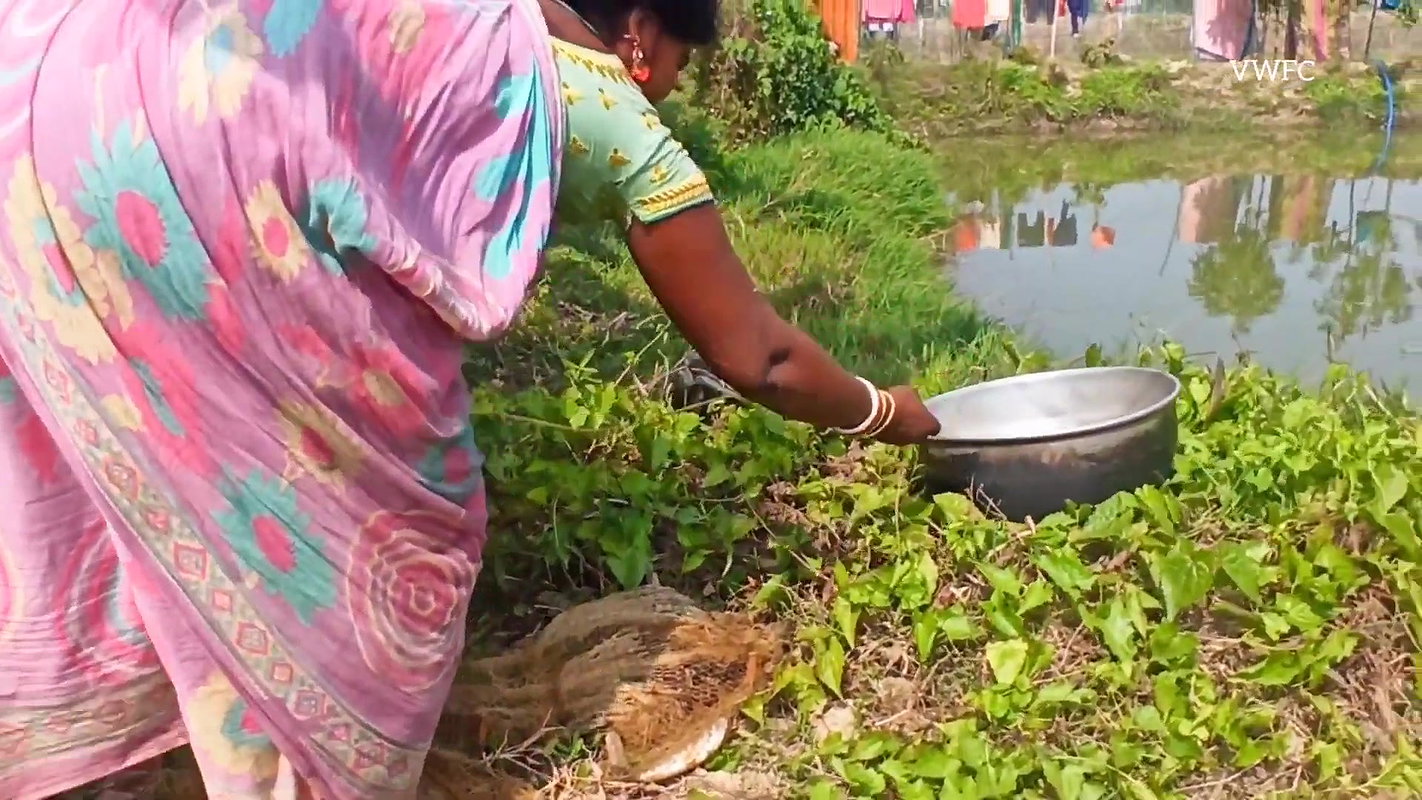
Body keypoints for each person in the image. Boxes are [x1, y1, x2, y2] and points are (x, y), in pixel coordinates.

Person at [0, 0, 941, 797]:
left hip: (54, 100)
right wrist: (891, 412)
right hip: (186, 169)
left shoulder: (478, 19)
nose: (674, 90)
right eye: (681, 66)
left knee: (157, 428)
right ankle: (313, 747)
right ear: (642, 35)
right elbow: (762, 356)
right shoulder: (607, 106)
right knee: (401, 521)